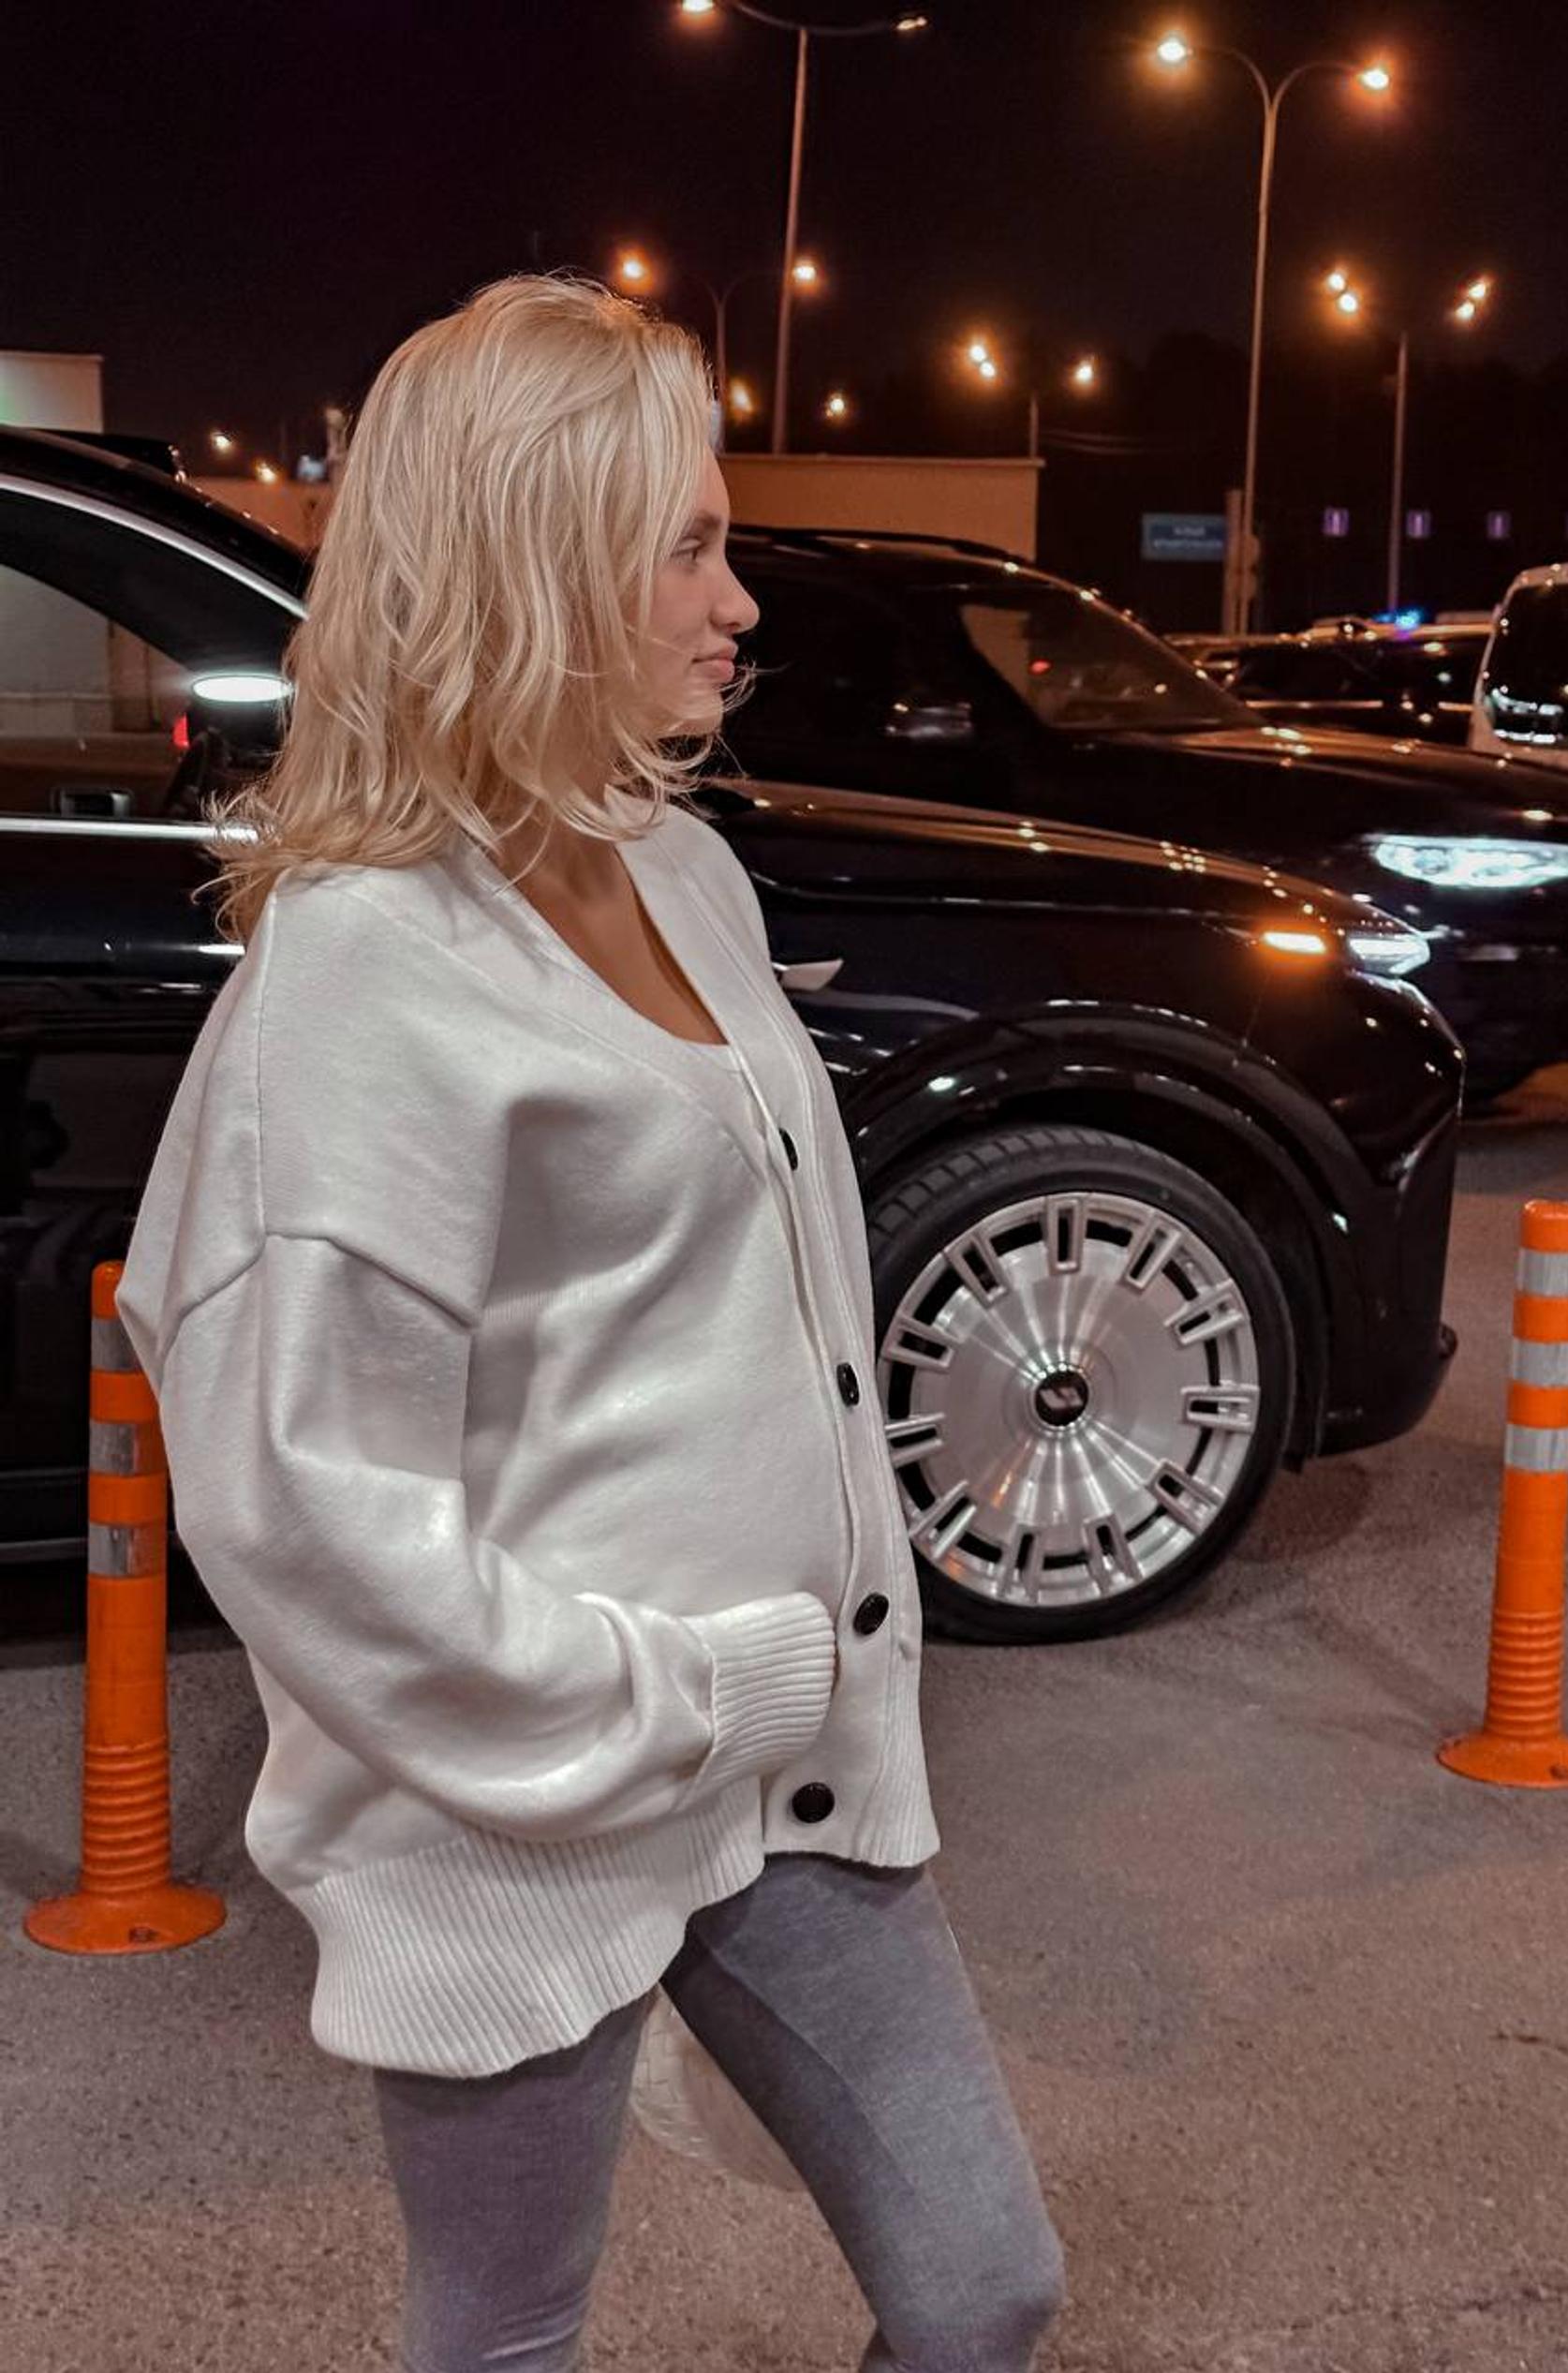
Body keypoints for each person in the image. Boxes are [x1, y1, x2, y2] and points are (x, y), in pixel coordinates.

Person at [113, 274, 1068, 2373]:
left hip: (784, 1765)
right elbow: (297, 1503)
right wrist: (679, 1688)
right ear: (533, 563)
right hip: (517, 1806)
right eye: (689, 545)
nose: (740, 603)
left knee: (980, 2283)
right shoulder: (363, 969)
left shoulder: (680, 871)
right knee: (505, 2336)